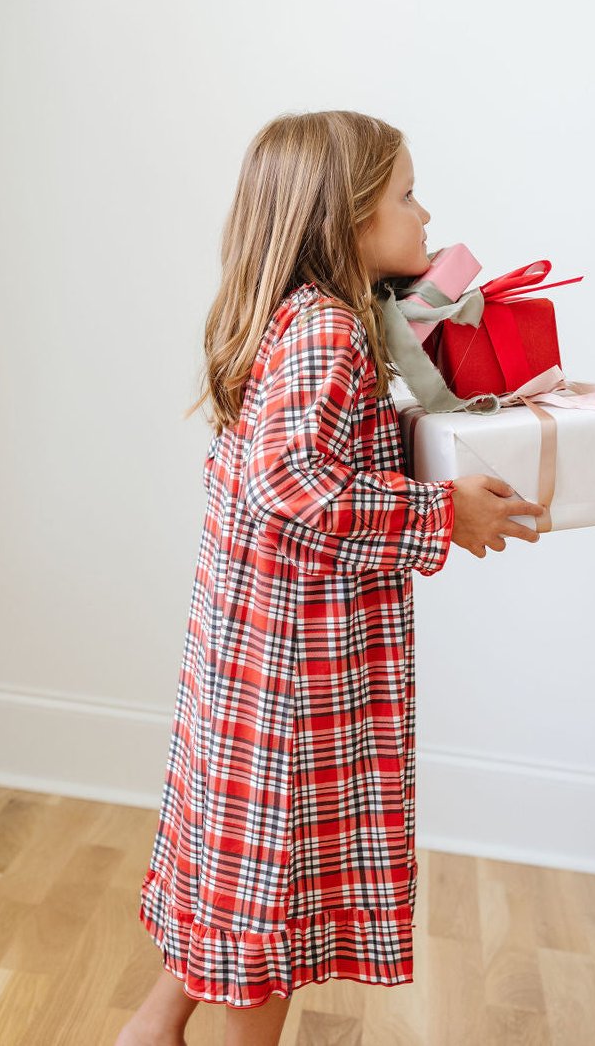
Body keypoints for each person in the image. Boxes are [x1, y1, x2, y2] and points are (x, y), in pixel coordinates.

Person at [117, 111, 546, 1046]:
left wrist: (420, 451)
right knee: (269, 893)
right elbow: (292, 484)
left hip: (251, 653)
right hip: (290, 677)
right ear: (345, 218)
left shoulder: (300, 316)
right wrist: (442, 514)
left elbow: (311, 453)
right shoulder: (330, 332)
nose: (427, 213)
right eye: (404, 195)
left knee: (237, 864)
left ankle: (152, 1027)